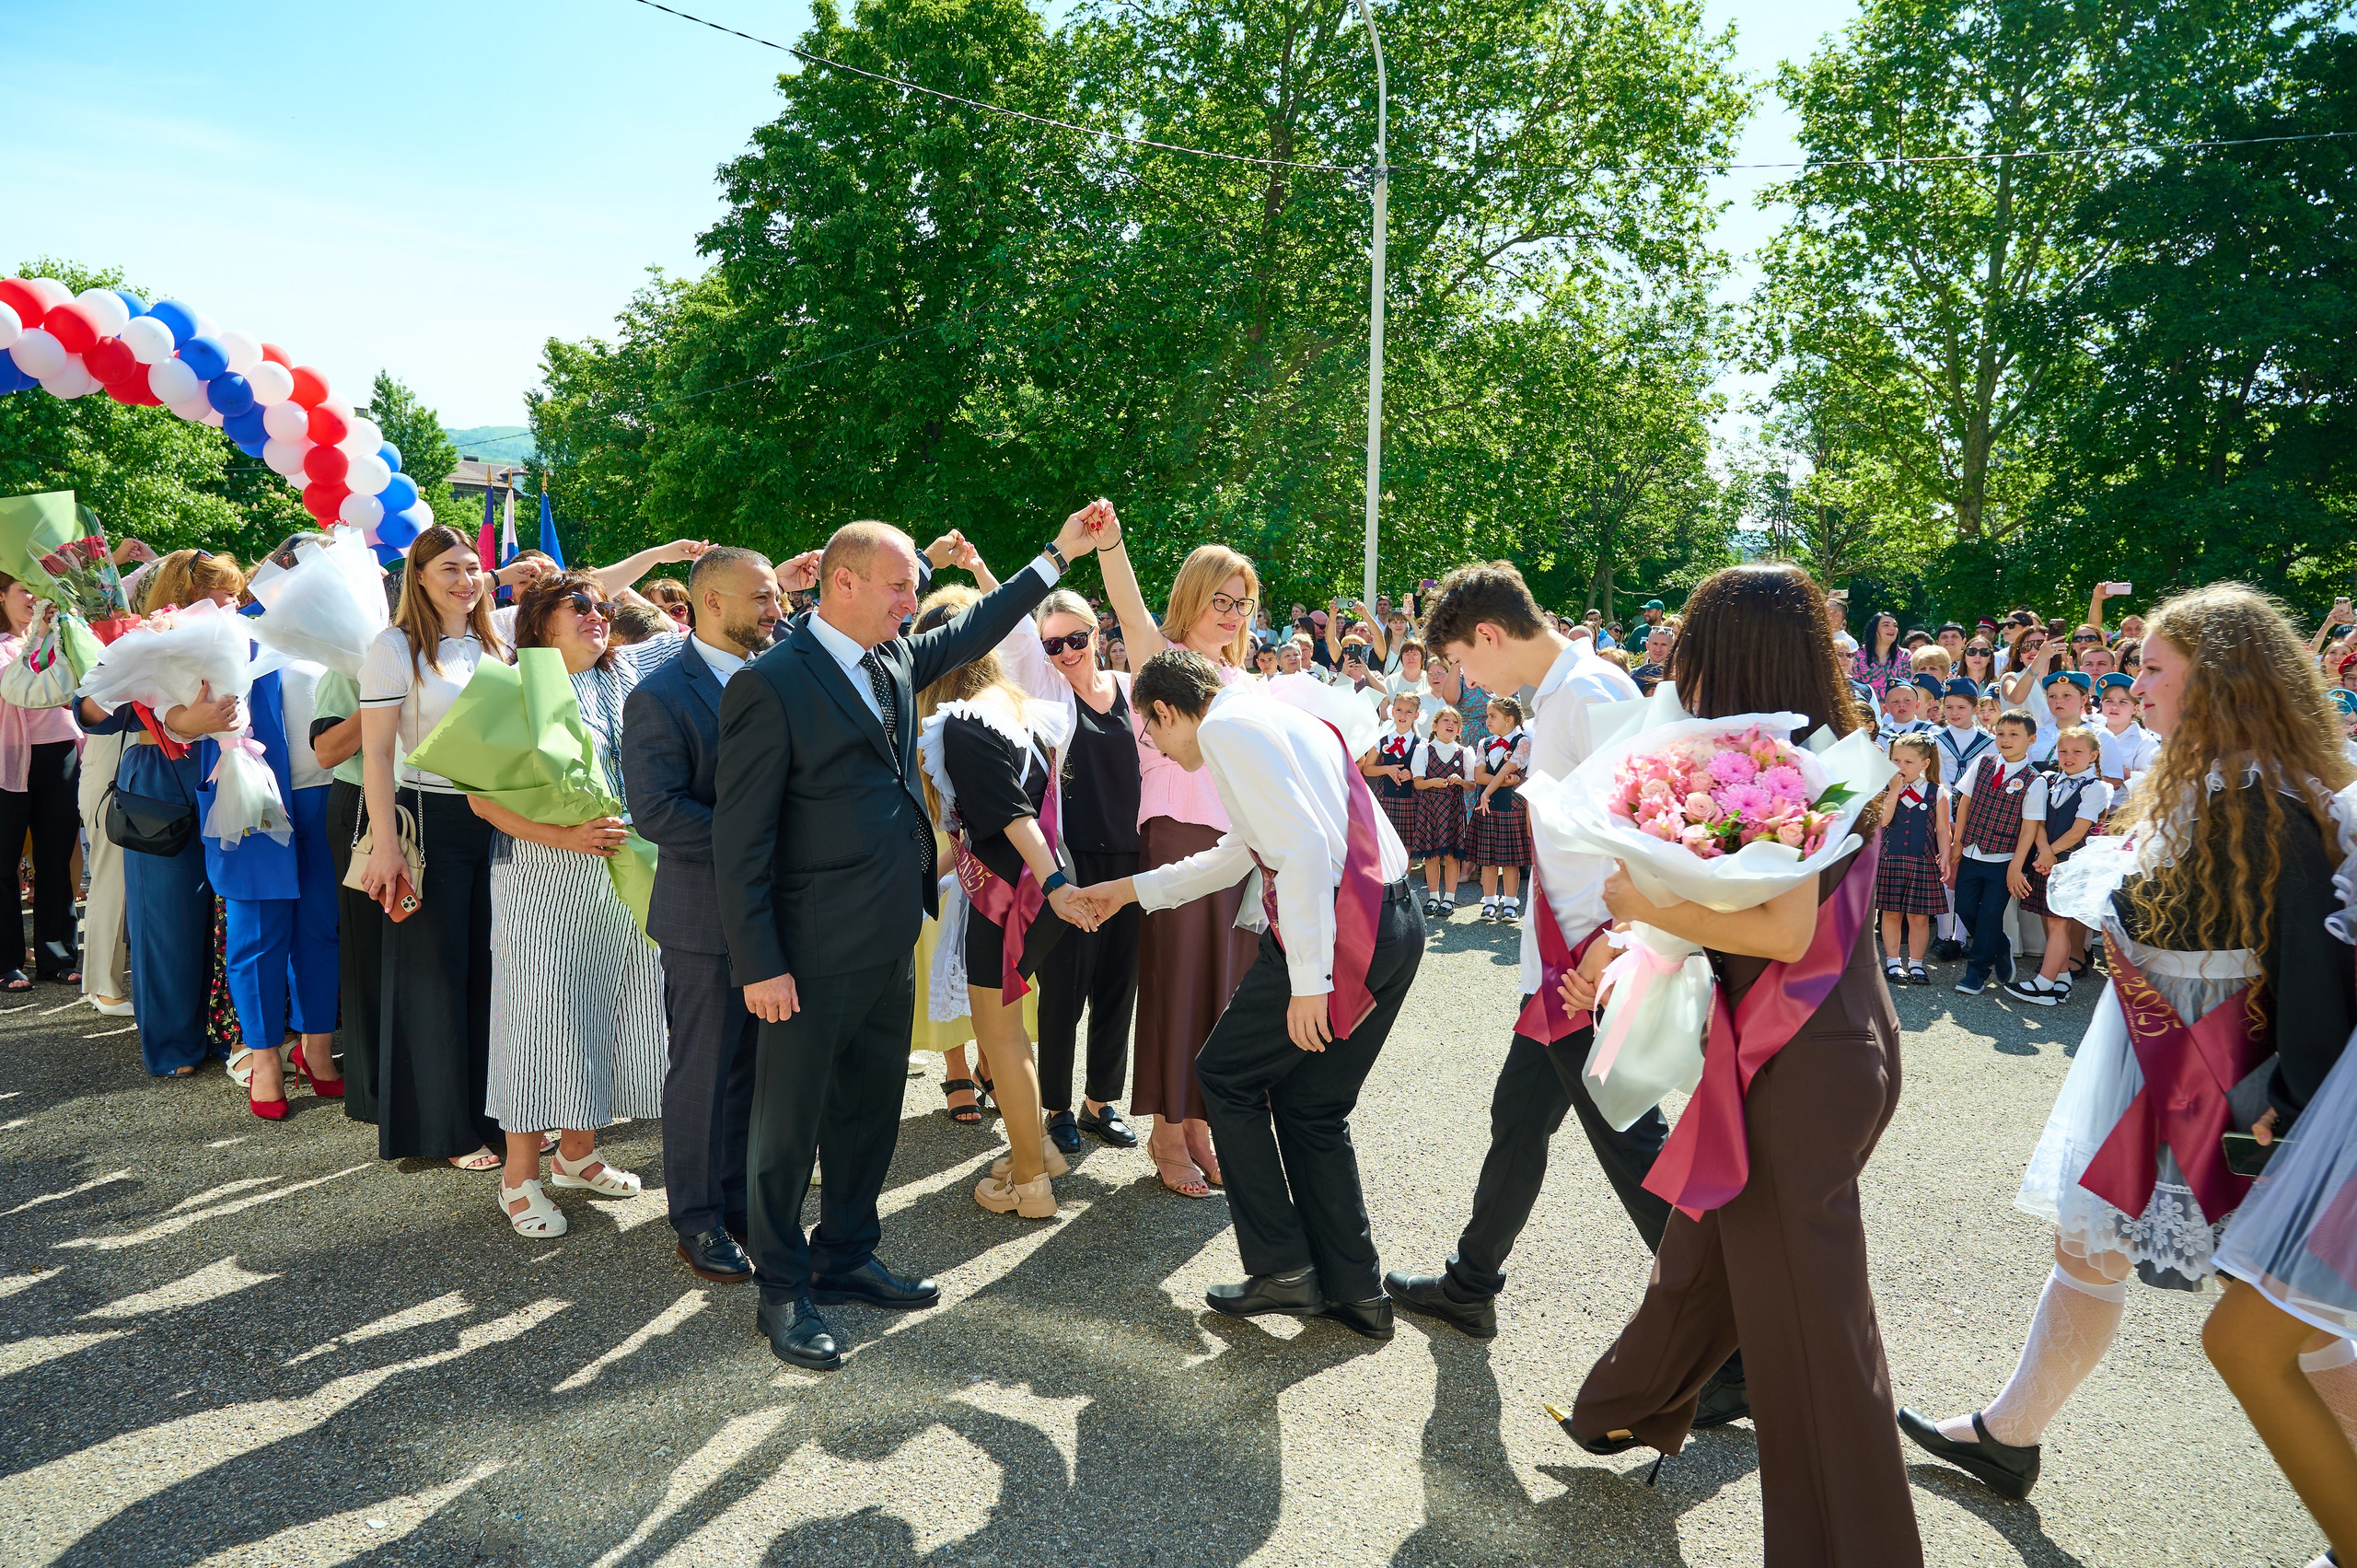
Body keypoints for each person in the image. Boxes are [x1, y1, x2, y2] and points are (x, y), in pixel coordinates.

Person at [1902, 584, 2355, 1522]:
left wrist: (2290, 1110)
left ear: (2219, 678)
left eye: (2152, 667)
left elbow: (2310, 962)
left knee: (2288, 1308)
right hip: (2166, 1048)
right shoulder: (2207, 778)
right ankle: (2008, 1432)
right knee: (2091, 1241)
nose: (2133, 681)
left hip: (2232, 1073)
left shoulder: (2267, 798)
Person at [1563, 562, 1922, 1568]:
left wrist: (1636, 903)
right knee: (1705, 1245)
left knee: (1813, 1339)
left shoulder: (1802, 770)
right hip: (1826, 1044)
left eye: (1691, 647)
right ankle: (1620, 1408)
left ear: (1730, 657)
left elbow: (1779, 925)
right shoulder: (1824, 756)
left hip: (1802, 1060)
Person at [714, 508, 1097, 1371]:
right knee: (787, 1125)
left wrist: (1057, 554)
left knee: (868, 1110)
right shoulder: (770, 683)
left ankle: (847, 1252)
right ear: (842, 583)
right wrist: (761, 962)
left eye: (913, 588)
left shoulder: (890, 655)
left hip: (888, 934)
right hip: (805, 953)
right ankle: (784, 1284)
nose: (910, 599)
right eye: (898, 585)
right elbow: (738, 843)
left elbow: (976, 626)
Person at [1387, 563, 1736, 1399]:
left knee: (1634, 1147)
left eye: (1463, 665)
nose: (1466, 683)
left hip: (1591, 967)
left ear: (1491, 636)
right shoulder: (1561, 693)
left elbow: (1654, 834)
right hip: (1558, 960)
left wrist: (1609, 950)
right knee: (1519, 1119)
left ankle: (1730, 1347)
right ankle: (1472, 1283)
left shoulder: (1594, 692)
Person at [1073, 651, 1421, 1338]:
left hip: (1342, 924)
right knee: (1312, 1105)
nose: (1160, 750)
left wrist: (1309, 982)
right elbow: (1241, 851)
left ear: (1166, 710)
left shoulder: (1228, 732)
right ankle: (1354, 1289)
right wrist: (1130, 891)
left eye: (1152, 734)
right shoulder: (1265, 714)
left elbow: (1301, 853)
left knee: (1224, 1074)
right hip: (1393, 919)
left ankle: (1285, 1270)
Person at [621, 546, 795, 1277]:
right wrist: (760, 840)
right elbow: (658, 811)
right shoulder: (660, 695)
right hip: (703, 916)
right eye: (763, 598)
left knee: (757, 1071)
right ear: (711, 604)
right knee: (702, 1071)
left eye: (777, 597)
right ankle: (696, 1219)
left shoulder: (785, 676)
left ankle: (741, 1204)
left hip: (784, 909)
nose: (777, 609)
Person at [913, 584, 1101, 1218]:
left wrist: (1054, 887)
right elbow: (988, 824)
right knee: (1010, 1032)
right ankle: (1038, 1150)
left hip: (1010, 894)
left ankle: (1029, 1182)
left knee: (1001, 1035)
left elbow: (1014, 817)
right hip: (1026, 882)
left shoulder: (960, 721)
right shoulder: (1015, 704)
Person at [357, 526, 536, 1170]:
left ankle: (498, 1116)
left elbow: (596, 594)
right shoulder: (394, 646)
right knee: (435, 976)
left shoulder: (502, 637)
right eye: (450, 569)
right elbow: (376, 754)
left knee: (498, 972)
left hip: (503, 815)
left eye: (473, 567)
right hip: (429, 818)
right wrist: (386, 847)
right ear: (421, 577)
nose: (466, 580)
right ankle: (445, 1127)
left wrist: (666, 556)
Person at [1097, 523, 1261, 1199]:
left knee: (1223, 991)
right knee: (1178, 984)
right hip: (1175, 838)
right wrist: (1110, 543)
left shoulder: (1246, 679)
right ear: (1192, 596)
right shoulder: (1156, 655)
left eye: (1242, 603)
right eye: (1220, 599)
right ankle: (1167, 1130)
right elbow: (1129, 605)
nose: (1231, 613)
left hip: (1237, 851)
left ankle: (1198, 1123)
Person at [81, 549, 248, 1077]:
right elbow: (90, 712)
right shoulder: (145, 640)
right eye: (224, 597)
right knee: (167, 921)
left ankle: (222, 1032)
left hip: (226, 774)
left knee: (224, 918)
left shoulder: (240, 639)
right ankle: (173, 1044)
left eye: (237, 597)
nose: (234, 607)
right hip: (159, 782)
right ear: (186, 600)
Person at [191, 584, 343, 1120]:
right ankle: (264, 1060)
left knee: (322, 931)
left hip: (329, 798)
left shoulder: (343, 633)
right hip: (251, 802)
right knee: (257, 938)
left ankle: (316, 1049)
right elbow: (172, 717)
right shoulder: (232, 637)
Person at [1015, 588, 1142, 1155]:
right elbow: (1012, 624)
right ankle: (1057, 1107)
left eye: (1076, 637)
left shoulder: (1133, 690)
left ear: (1098, 633)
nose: (1066, 650)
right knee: (1062, 991)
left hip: (1130, 860)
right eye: (1053, 643)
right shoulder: (1043, 696)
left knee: (1118, 986)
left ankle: (1100, 1103)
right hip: (1068, 862)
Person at [0, 578, 84, 990]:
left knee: (55, 859)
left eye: (39, 591)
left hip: (60, 754)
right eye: (24, 590)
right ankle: (5, 961)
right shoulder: (5, 645)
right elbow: (14, 685)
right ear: (2, 596)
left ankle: (57, 957)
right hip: (9, 760)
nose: (35, 599)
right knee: (4, 861)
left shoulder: (65, 634)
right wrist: (38, 635)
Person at [2004, 726, 2112, 1005]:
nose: (2068, 756)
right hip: (2046, 861)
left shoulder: (2096, 788)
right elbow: (2037, 820)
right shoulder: (2049, 779)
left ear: (2093, 755)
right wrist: (2043, 854)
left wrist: (2049, 854)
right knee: (2048, 920)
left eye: (2077, 751)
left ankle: (2044, 984)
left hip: (2070, 864)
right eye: (2063, 750)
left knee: (2057, 924)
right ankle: (2061, 978)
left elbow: (2079, 831)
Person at [1944, 708, 2039, 996]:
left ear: (2031, 739)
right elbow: (1965, 803)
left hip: (2003, 860)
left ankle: (1977, 972)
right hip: (1972, 852)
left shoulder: (2034, 780)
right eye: (2000, 733)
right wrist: (1958, 841)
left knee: (1988, 917)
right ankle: (2000, 943)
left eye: (2014, 734)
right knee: (1964, 908)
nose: (2005, 739)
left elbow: (2028, 829)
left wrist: (2016, 866)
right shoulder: (1982, 763)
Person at [1874, 734, 1950, 986]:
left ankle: (1916, 964)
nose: (1900, 766)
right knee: (1891, 913)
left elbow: (1942, 829)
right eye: (1895, 760)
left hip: (1923, 862)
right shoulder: (1885, 789)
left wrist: (1946, 857)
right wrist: (1893, 791)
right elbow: (1883, 822)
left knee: (1918, 917)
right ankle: (1893, 962)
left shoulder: (1936, 792)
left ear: (1924, 764)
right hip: (1891, 860)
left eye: (1907, 761)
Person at [1469, 695, 1534, 923]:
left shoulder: (1523, 741)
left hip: (1512, 806)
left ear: (1509, 719)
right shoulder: (1484, 743)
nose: (1487, 720)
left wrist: (1487, 791)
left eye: (1492, 716)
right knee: (1488, 859)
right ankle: (1489, 902)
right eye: (1487, 715)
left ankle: (1510, 903)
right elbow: (1479, 775)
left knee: (1510, 859)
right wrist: (1502, 782)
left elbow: (1508, 768)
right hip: (1489, 807)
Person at [1410, 705, 1471, 916]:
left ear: (1459, 730)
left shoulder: (1464, 753)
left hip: (1453, 808)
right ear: (1435, 726)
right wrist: (1432, 782)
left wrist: (1461, 780)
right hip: (1431, 807)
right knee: (1432, 856)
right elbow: (1418, 783)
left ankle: (1449, 899)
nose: (1451, 725)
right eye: (1446, 721)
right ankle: (1433, 897)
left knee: (1452, 856)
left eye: (1455, 722)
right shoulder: (1423, 750)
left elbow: (1472, 784)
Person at [1853, 611, 1909, 696]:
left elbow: (1909, 688)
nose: (1892, 628)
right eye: (1886, 625)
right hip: (1865, 706)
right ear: (1874, 630)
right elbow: (1853, 687)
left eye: (1895, 626)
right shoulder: (1857, 656)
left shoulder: (1905, 656)